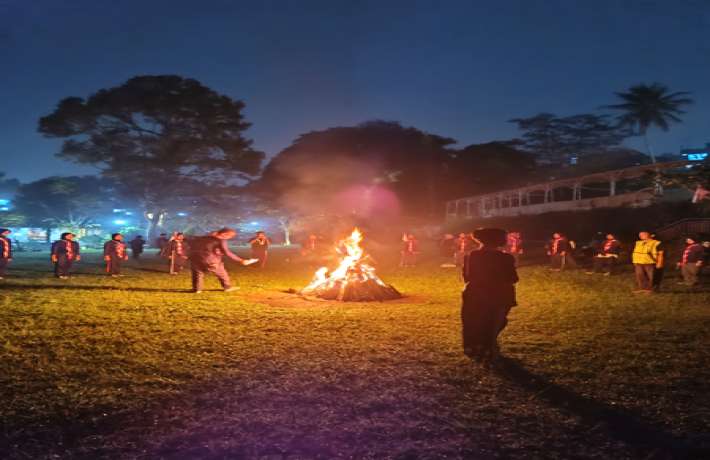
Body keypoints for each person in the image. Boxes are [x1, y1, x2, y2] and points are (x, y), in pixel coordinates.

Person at [461, 228, 519, 365]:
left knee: (474, 320)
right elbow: (513, 278)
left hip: (475, 292)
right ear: (498, 240)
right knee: (495, 322)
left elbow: (467, 277)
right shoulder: (505, 258)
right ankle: (489, 346)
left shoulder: (470, 256)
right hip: (499, 293)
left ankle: (475, 346)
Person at [188, 227, 253, 293]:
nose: (230, 238)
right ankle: (227, 287)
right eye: (230, 236)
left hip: (196, 259)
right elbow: (227, 252)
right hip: (211, 260)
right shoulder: (220, 240)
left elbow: (192, 244)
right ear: (224, 234)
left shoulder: (202, 238)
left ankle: (197, 289)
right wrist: (241, 260)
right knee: (222, 273)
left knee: (198, 273)